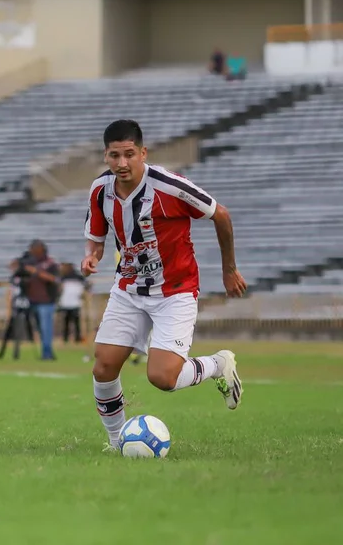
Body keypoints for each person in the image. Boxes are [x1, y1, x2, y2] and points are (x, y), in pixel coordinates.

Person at [82, 119, 247, 451]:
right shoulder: (101, 189)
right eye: (115, 155)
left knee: (162, 378)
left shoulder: (169, 186)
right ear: (106, 156)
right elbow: (97, 233)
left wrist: (229, 270)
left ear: (143, 153)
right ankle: (116, 442)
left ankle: (218, 364)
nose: (122, 163)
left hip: (175, 291)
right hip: (128, 289)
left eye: (129, 154)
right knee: (103, 365)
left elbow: (221, 215)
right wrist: (93, 255)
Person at [21, 240, 60, 360]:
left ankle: (47, 353)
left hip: (46, 301)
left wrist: (36, 272)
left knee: (46, 327)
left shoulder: (50, 263)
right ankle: (46, 351)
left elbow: (54, 279)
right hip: (32, 300)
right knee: (39, 328)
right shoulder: (29, 263)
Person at [0, 258, 32, 360]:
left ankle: (15, 352)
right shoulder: (15, 278)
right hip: (17, 305)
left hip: (21, 305)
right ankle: (9, 353)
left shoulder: (22, 278)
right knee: (12, 329)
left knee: (18, 329)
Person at [58, 262, 88, 345]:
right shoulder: (66, 277)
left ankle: (72, 337)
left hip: (72, 302)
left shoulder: (75, 277)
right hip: (68, 302)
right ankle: (69, 337)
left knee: (71, 321)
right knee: (70, 321)